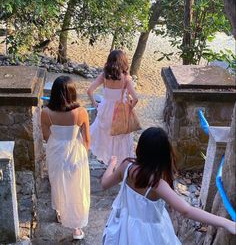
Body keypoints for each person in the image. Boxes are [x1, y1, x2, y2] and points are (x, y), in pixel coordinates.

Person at [101, 127, 236, 245]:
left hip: (124, 226)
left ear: (140, 148)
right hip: (150, 234)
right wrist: (226, 223)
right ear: (163, 154)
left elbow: (104, 183)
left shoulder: (126, 166)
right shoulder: (157, 184)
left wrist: (112, 164)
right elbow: (186, 210)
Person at [41, 76, 90, 240]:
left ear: (54, 93)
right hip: (75, 152)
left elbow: (46, 136)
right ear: (72, 93)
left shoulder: (46, 113)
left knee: (58, 183)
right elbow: (87, 140)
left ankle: (60, 212)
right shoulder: (81, 112)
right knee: (76, 187)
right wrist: (83, 154)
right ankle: (76, 228)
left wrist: (58, 145)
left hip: (55, 151)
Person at [87, 49, 138, 166]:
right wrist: (129, 109)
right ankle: (121, 166)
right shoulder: (126, 79)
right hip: (120, 112)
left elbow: (89, 91)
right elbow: (135, 98)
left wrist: (95, 104)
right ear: (123, 62)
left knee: (106, 138)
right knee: (121, 140)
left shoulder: (104, 75)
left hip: (105, 110)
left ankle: (109, 163)